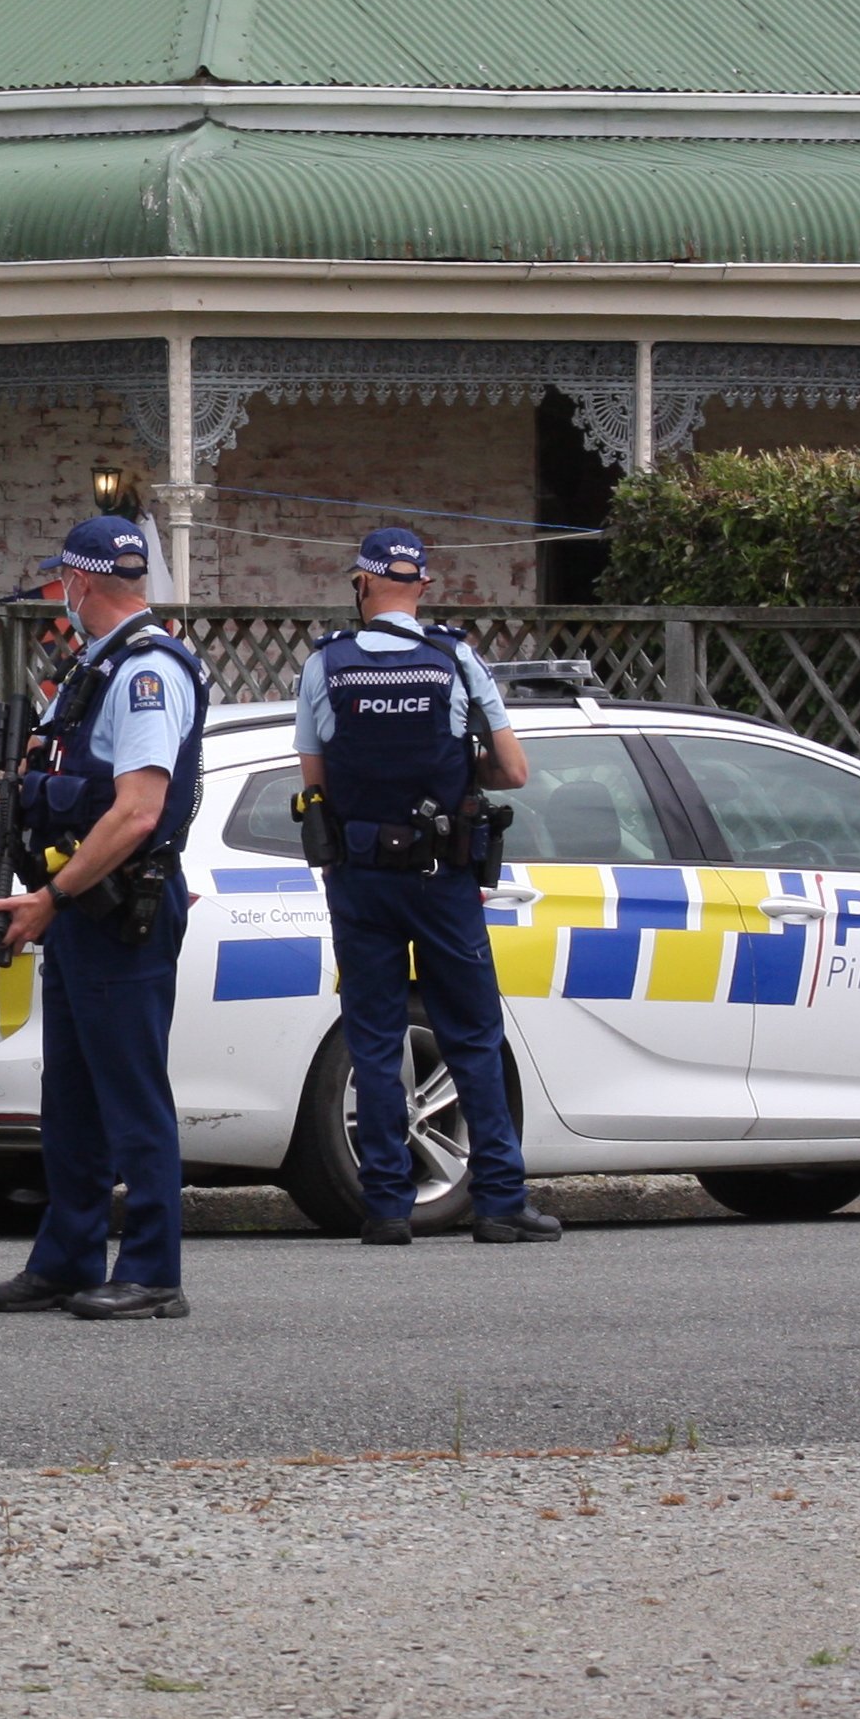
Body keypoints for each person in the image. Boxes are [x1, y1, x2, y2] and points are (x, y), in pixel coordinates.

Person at [295, 526, 562, 1245]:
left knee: (375, 1036)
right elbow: (514, 772)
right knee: (471, 1034)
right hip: (443, 877)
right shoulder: (454, 658)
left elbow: (314, 783)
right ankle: (501, 1203)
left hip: (359, 880)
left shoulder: (325, 665)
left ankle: (386, 1206)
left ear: (361, 584)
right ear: (422, 587)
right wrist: (457, 765)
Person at [0, 516, 206, 1321]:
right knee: (69, 1093)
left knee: (131, 1093)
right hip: (79, 906)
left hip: (116, 907)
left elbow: (138, 811)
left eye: (60, 582)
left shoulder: (147, 674)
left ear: (83, 582)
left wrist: (53, 897)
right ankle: (67, 1257)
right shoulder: (92, 672)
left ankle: (152, 1270)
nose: (53, 597)